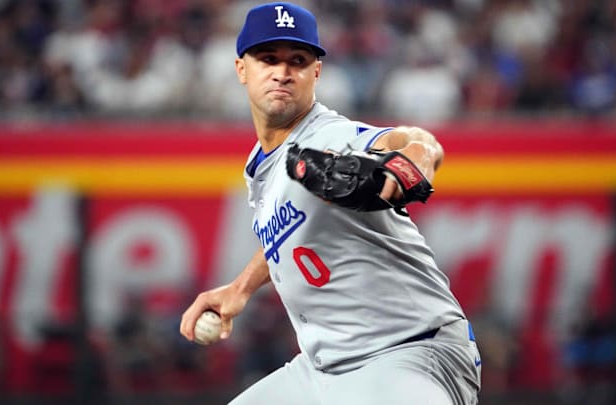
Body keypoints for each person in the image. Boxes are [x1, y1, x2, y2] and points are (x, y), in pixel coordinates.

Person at [179, 3, 481, 404]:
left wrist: (413, 163)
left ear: (316, 73)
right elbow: (293, 231)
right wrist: (239, 289)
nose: (283, 72)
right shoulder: (260, 165)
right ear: (241, 69)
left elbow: (417, 143)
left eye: (298, 61)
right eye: (268, 58)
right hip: (322, 369)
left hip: (409, 351)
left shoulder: (328, 138)